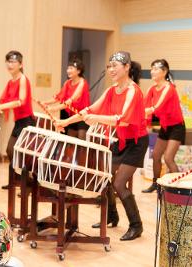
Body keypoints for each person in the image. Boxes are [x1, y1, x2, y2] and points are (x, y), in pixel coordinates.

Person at [56, 51, 148, 241]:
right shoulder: (111, 90)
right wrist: (64, 123)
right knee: (104, 177)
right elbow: (89, 110)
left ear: (127, 67)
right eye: (109, 65)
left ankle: (136, 225)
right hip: (121, 141)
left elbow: (122, 120)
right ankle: (112, 216)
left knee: (119, 183)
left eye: (115, 65)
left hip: (137, 143)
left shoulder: (133, 91)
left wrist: (95, 119)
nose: (111, 69)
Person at [0, 51, 35, 191]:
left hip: (27, 122)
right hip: (19, 121)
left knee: (14, 151)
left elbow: (21, 101)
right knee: (10, 150)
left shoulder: (23, 79)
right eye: (8, 61)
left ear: (21, 64)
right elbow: (2, 100)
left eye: (13, 62)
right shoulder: (11, 82)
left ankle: (28, 182)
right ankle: (17, 181)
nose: (10, 64)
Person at [142, 59, 185, 193]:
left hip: (177, 127)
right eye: (151, 68)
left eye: (156, 69)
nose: (152, 71)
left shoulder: (169, 88)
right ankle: (156, 184)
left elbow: (157, 106)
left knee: (168, 158)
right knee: (155, 155)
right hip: (165, 127)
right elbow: (145, 105)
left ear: (164, 71)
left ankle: (179, 189)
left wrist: (146, 111)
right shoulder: (152, 89)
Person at [43, 58, 90, 140]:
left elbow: (71, 101)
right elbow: (58, 97)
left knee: (82, 143)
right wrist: (45, 102)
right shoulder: (67, 83)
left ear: (78, 71)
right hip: (72, 116)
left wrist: (54, 108)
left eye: (71, 68)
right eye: (68, 68)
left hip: (82, 116)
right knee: (70, 142)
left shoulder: (83, 83)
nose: (68, 70)